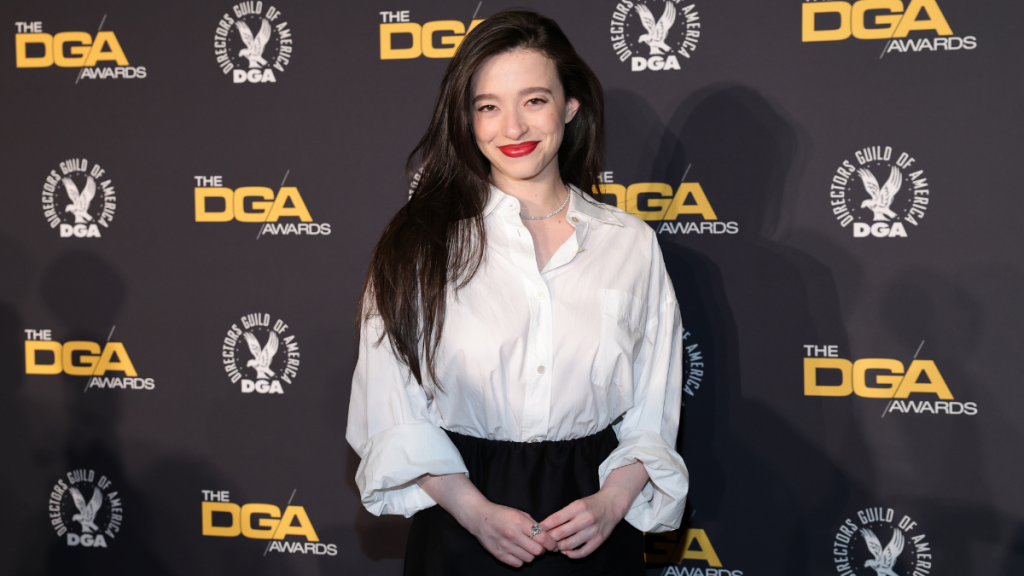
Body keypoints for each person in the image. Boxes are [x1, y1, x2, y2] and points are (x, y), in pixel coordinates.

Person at [346, 9, 688, 575]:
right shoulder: (419, 244)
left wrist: (613, 502)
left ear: (569, 106)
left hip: (593, 528)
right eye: (488, 107)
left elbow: (653, 407)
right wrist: (474, 511)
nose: (513, 128)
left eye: (533, 100)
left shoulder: (629, 244)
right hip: (461, 523)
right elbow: (390, 407)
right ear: (468, 120)